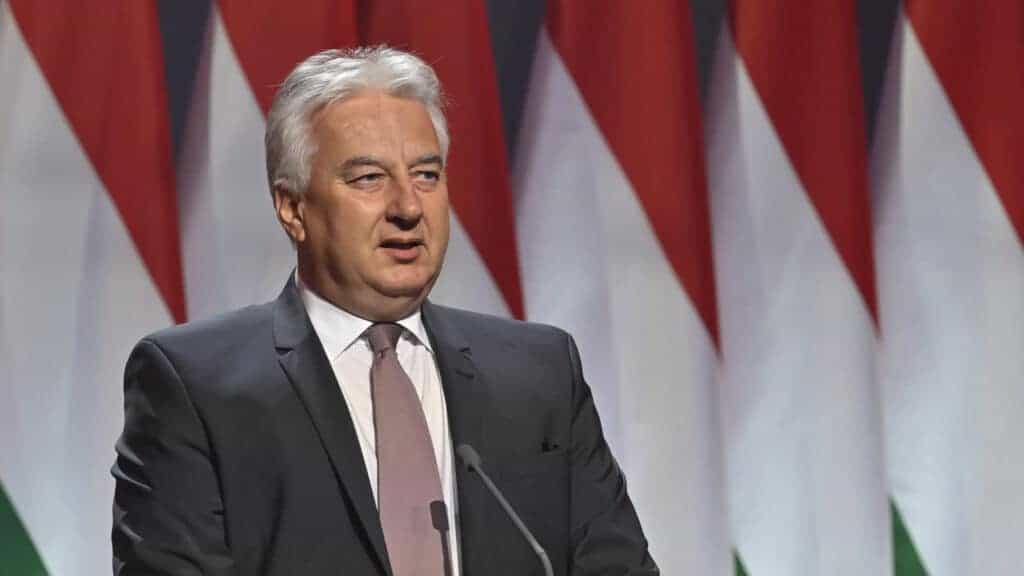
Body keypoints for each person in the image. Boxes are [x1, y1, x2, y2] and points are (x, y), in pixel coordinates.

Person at [112, 46, 657, 576]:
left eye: (426, 175)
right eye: (369, 178)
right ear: (293, 207)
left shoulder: (541, 373)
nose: (408, 207)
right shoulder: (196, 386)